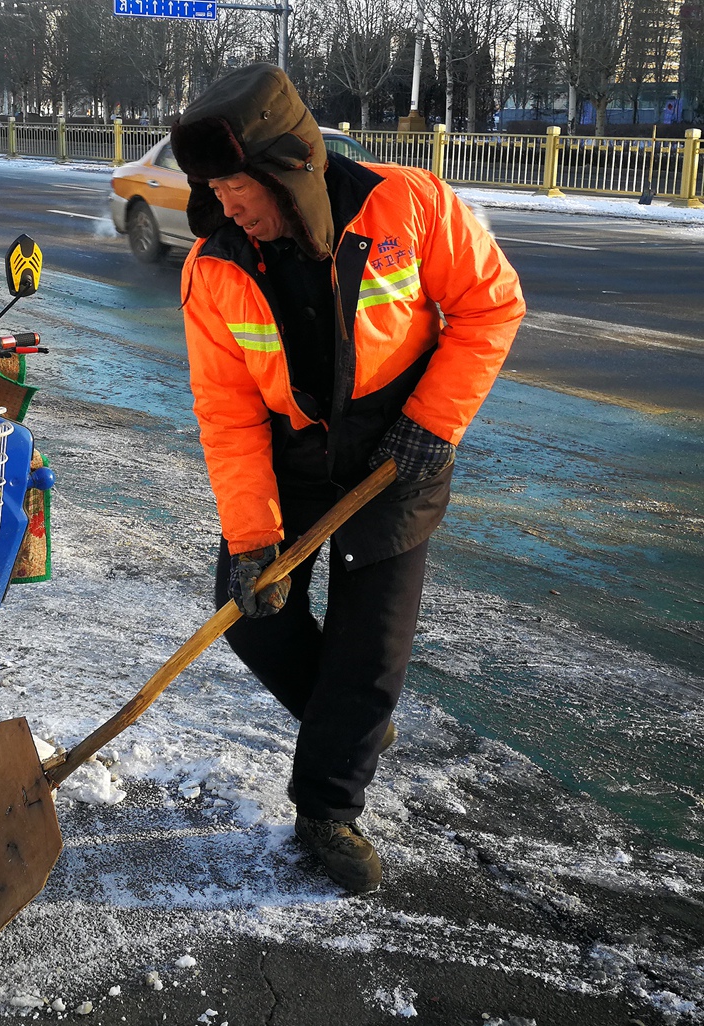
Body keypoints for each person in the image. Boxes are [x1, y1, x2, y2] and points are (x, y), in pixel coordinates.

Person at [170, 64, 525, 894]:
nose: (228, 205)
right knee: (253, 615)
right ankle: (354, 726)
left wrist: (432, 425)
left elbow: (490, 306)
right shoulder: (215, 266)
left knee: (370, 648)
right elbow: (227, 416)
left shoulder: (412, 207)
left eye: (238, 186)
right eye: (215, 188)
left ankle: (327, 808)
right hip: (291, 460)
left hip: (399, 452)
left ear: (289, 172)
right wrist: (256, 541)